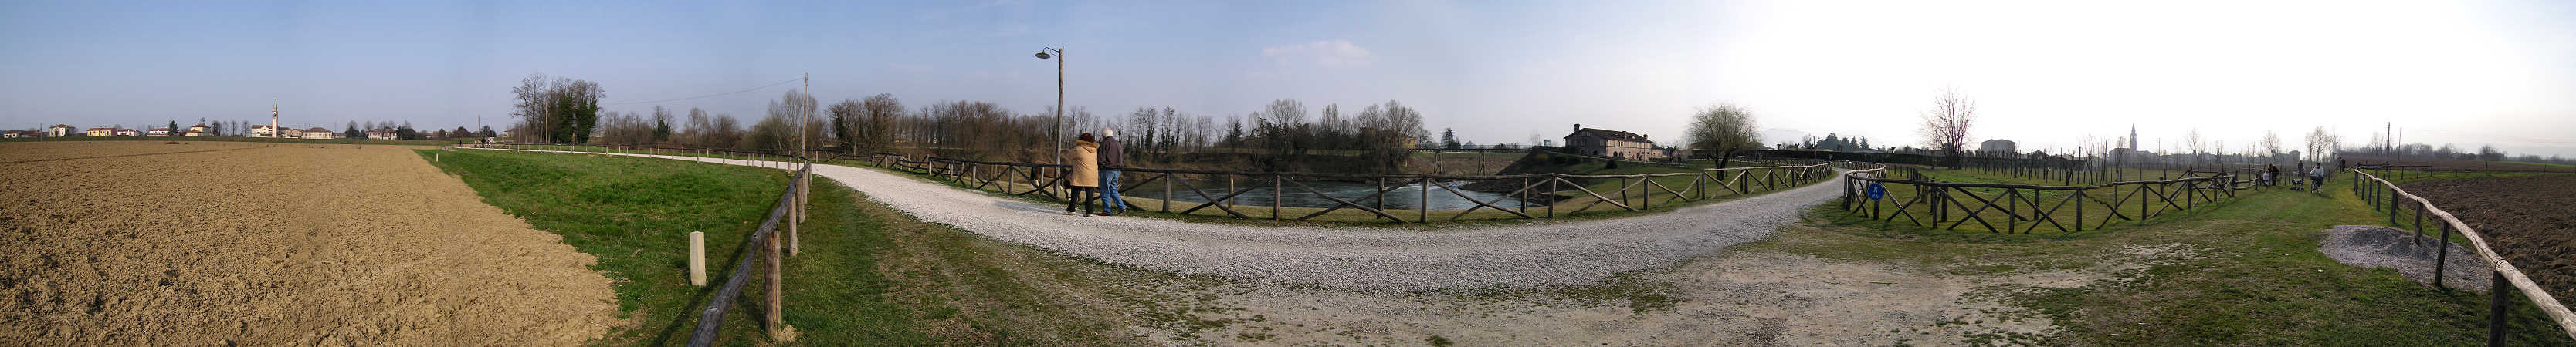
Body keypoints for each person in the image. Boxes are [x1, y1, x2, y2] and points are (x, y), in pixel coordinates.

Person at [1064, 133, 1102, 216]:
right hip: (1092, 174)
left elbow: (1069, 155)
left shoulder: (1078, 149)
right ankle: (1090, 212)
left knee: (1075, 192)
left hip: (1080, 174)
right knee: (1090, 194)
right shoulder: (1095, 150)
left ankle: (1071, 210)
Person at [1095, 127, 1129, 216]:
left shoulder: (1104, 143)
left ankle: (1107, 210)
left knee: (1105, 190)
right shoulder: (1118, 144)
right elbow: (1122, 158)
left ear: (1103, 135)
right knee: (1113, 189)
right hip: (1117, 170)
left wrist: (1101, 167)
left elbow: (1100, 159)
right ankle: (1122, 207)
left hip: (1107, 170)